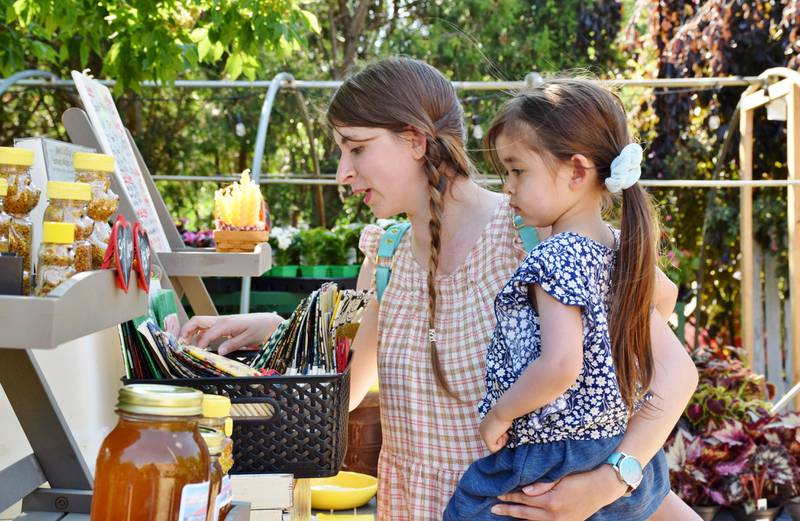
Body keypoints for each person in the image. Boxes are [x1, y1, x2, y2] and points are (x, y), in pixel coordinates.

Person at [180, 58, 699, 521]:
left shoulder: (535, 234)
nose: (343, 173)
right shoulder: (385, 255)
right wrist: (279, 331)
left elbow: (670, 361)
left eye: (357, 148)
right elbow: (354, 382)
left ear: (415, 139)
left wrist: (610, 482)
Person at [443, 79, 697, 520]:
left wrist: (500, 415)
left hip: (554, 456)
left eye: (518, 171)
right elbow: (665, 298)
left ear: (578, 172)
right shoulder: (616, 247)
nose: (508, 187)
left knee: (471, 509)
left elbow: (560, 365)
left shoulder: (557, 255)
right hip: (612, 444)